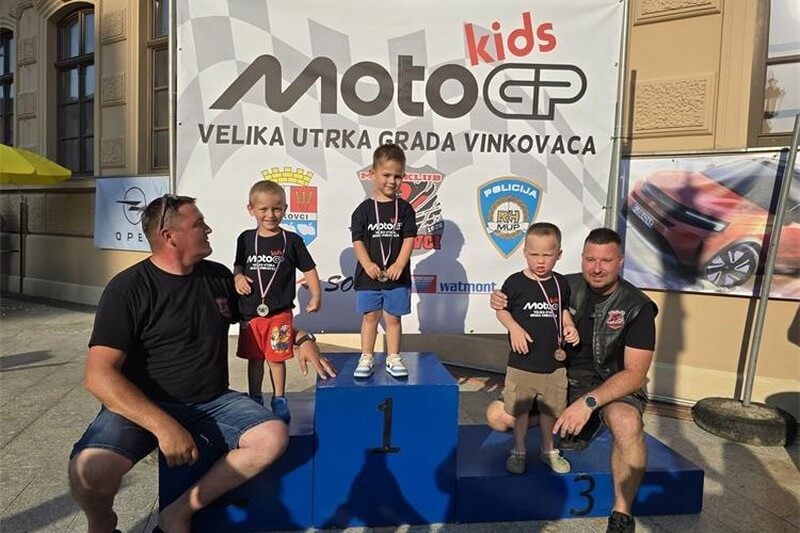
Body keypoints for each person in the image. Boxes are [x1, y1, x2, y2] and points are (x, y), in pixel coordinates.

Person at [68, 195, 335, 533]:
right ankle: (102, 523)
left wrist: (302, 339)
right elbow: (98, 375)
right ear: (170, 236)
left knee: (272, 437)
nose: (208, 229)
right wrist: (165, 427)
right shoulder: (127, 289)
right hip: (143, 404)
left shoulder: (219, 277)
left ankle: (178, 513)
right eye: (198, 224)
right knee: (89, 471)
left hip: (213, 401)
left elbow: (260, 321)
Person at [487, 228, 657, 533]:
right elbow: (521, 300)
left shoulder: (637, 306)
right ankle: (559, 424)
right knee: (497, 417)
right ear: (581, 258)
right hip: (562, 379)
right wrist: (501, 301)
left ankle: (621, 515)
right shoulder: (562, 285)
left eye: (606, 260)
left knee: (626, 421)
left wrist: (588, 403)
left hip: (609, 386)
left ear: (620, 261)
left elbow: (635, 375)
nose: (597, 268)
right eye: (590, 259)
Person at [233, 180, 321, 423]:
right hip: (251, 314)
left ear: (285, 209)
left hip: (279, 314)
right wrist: (238, 277)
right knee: (255, 359)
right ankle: (255, 398)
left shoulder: (291, 241)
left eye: (277, 208)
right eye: (263, 209)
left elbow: (309, 269)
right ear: (251, 209)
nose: (270, 215)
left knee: (276, 358)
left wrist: (316, 295)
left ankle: (279, 398)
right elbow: (238, 264)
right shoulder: (245, 238)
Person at [496, 222, 579, 475]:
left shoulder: (561, 283)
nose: (540, 261)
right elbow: (502, 310)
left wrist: (569, 326)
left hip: (554, 365)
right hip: (522, 363)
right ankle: (519, 450)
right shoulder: (515, 282)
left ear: (559, 255)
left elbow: (562, 310)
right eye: (534, 254)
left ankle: (548, 450)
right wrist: (514, 328)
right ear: (524, 252)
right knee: (520, 411)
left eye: (547, 255)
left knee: (550, 411)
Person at [350, 144, 417, 379]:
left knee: (393, 318)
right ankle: (366, 356)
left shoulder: (405, 209)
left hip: (397, 278)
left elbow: (409, 238)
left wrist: (399, 264)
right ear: (372, 174)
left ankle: (393, 357)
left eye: (397, 176)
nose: (392, 181)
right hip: (368, 277)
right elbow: (357, 241)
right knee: (370, 317)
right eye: (386, 175)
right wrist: (367, 264)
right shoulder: (363, 210)